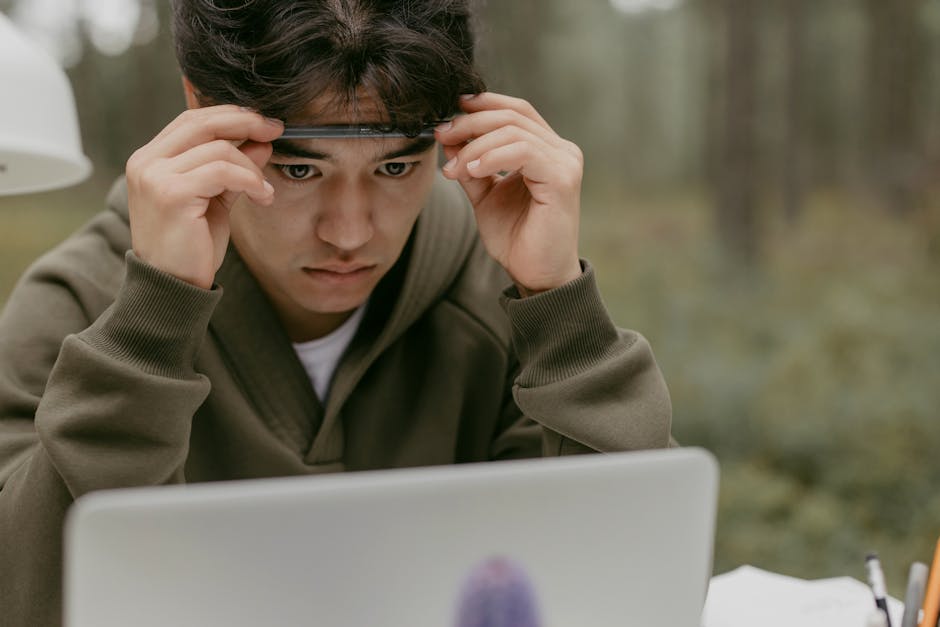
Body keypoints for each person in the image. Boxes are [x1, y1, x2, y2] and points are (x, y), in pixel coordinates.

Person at [0, 1, 673, 625]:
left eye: (395, 168)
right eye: (299, 172)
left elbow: (641, 593)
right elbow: (30, 604)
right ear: (200, 108)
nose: (350, 232)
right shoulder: (76, 310)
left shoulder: (500, 293)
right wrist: (148, 330)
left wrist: (563, 313)